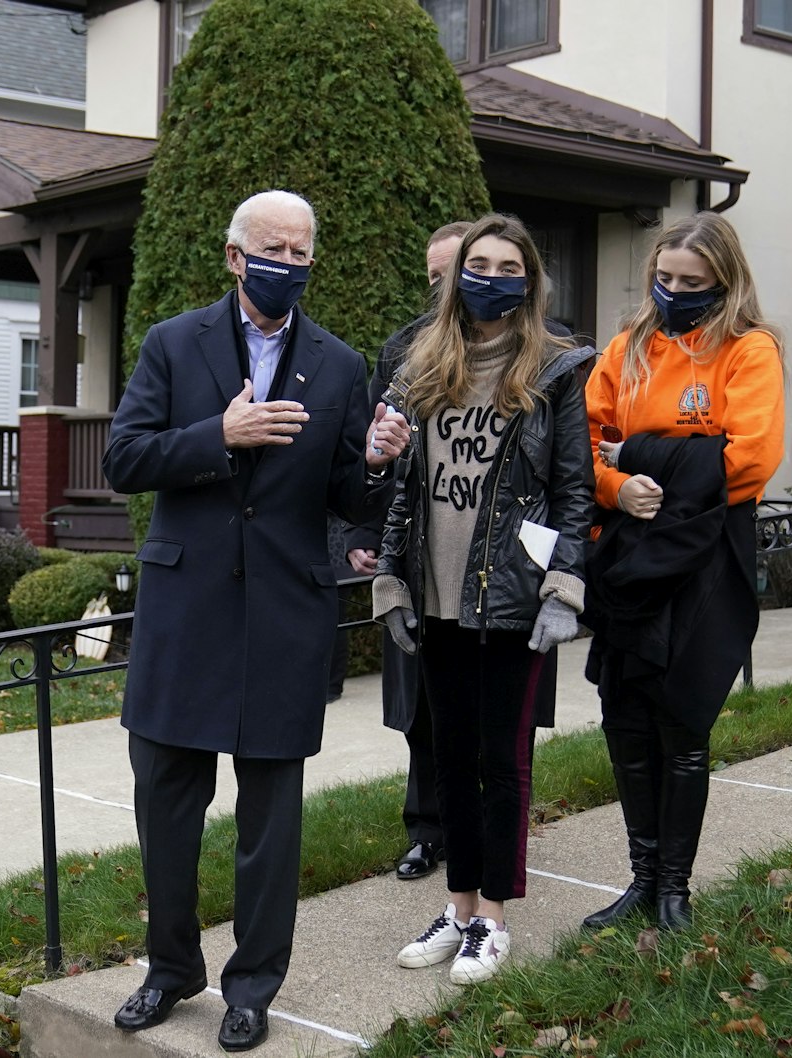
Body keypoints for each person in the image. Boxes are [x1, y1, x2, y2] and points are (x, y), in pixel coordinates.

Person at [102, 189, 411, 1051]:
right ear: (236, 257)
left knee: (271, 819)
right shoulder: (173, 343)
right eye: (272, 247)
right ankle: (169, 971)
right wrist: (218, 434)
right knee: (167, 806)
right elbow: (124, 459)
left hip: (283, 616)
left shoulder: (341, 364)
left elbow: (348, 494)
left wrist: (379, 461)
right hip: (185, 616)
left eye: (302, 251)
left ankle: (252, 986)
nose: (288, 262)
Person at [373, 213, 594, 984]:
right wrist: (389, 580)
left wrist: (564, 588)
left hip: (510, 600)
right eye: (478, 263)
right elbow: (398, 486)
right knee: (448, 759)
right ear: (455, 274)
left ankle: (493, 918)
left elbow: (574, 489)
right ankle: (458, 907)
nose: (490, 277)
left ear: (529, 279)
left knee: (501, 762)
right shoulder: (421, 365)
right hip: (435, 597)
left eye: (507, 265)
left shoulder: (557, 370)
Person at [580, 211, 785, 932]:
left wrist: (639, 456)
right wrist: (616, 483)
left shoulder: (748, 350)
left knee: (683, 720)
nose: (674, 293)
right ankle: (640, 879)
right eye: (664, 279)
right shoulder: (627, 348)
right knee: (626, 721)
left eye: (691, 283)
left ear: (723, 283)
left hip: (707, 553)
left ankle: (675, 888)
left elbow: (752, 459)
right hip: (629, 547)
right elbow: (589, 445)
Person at [346, 221, 473, 881]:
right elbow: (376, 451)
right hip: (416, 550)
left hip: (491, 556)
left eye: (451, 270)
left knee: (491, 705)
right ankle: (427, 829)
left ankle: (494, 828)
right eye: (432, 275)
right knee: (419, 704)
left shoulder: (540, 349)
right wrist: (366, 537)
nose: (440, 287)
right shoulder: (401, 350)